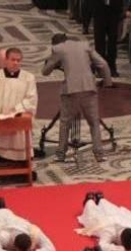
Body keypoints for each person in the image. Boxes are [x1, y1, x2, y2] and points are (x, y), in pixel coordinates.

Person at [42, 34, 113, 163]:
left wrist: (51, 62)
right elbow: (103, 63)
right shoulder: (85, 45)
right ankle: (99, 154)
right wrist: (107, 82)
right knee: (94, 123)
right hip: (89, 88)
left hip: (71, 90)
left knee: (65, 123)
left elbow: (45, 71)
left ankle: (61, 154)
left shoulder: (58, 49)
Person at [0, 48, 37, 164]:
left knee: (20, 134)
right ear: (6, 60)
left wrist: (16, 111)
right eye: (13, 60)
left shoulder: (28, 78)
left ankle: (21, 167)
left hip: (18, 121)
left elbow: (31, 100)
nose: (16, 63)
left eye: (18, 60)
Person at [91, 0, 125, 76]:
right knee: (99, 42)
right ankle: (100, 69)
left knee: (112, 42)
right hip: (99, 12)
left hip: (113, 12)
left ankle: (112, 68)